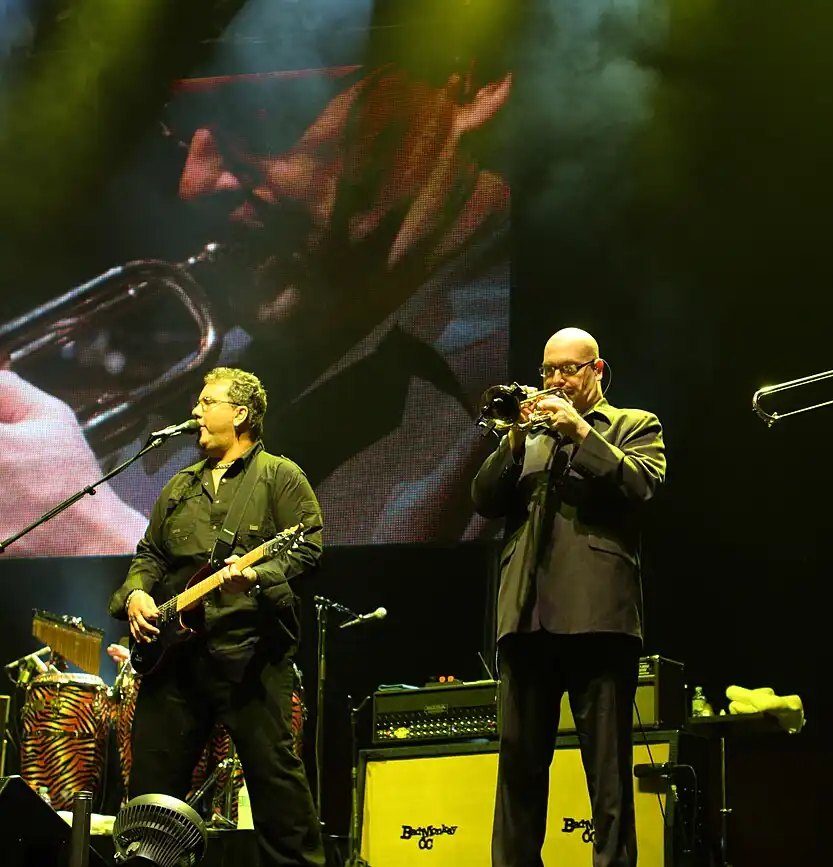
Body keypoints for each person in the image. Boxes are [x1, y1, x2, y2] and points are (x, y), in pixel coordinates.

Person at [0, 59, 513, 555]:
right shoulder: (201, 372)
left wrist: (91, 538)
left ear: (473, 87)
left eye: (261, 113)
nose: (194, 183)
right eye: (182, 125)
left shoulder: (524, 406)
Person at [107, 366, 325, 867]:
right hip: (176, 662)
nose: (196, 411)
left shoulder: (279, 476)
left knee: (277, 789)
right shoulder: (179, 487)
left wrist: (256, 576)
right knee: (150, 797)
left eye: (207, 403)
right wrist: (136, 593)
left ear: (241, 414)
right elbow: (150, 555)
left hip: (250, 657)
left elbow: (308, 549)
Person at [472, 327, 667, 867]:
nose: (556, 380)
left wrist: (580, 432)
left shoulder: (633, 425)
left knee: (607, 775)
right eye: (549, 370)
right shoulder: (529, 438)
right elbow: (483, 500)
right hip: (525, 617)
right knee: (518, 773)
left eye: (569, 369)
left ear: (597, 370)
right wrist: (514, 439)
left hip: (597, 618)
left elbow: (642, 486)